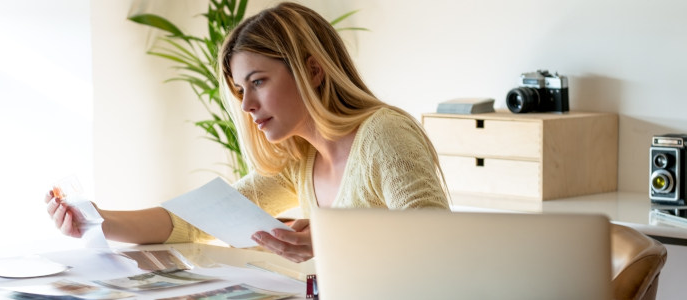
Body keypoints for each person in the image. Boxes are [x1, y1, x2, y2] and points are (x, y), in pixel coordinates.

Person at [45, 2, 448, 263]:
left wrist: (335, 243)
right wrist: (97, 220)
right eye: (241, 89)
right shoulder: (300, 160)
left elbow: (440, 246)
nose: (246, 105)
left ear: (312, 70)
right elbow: (192, 221)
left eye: (258, 82)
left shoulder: (384, 134)